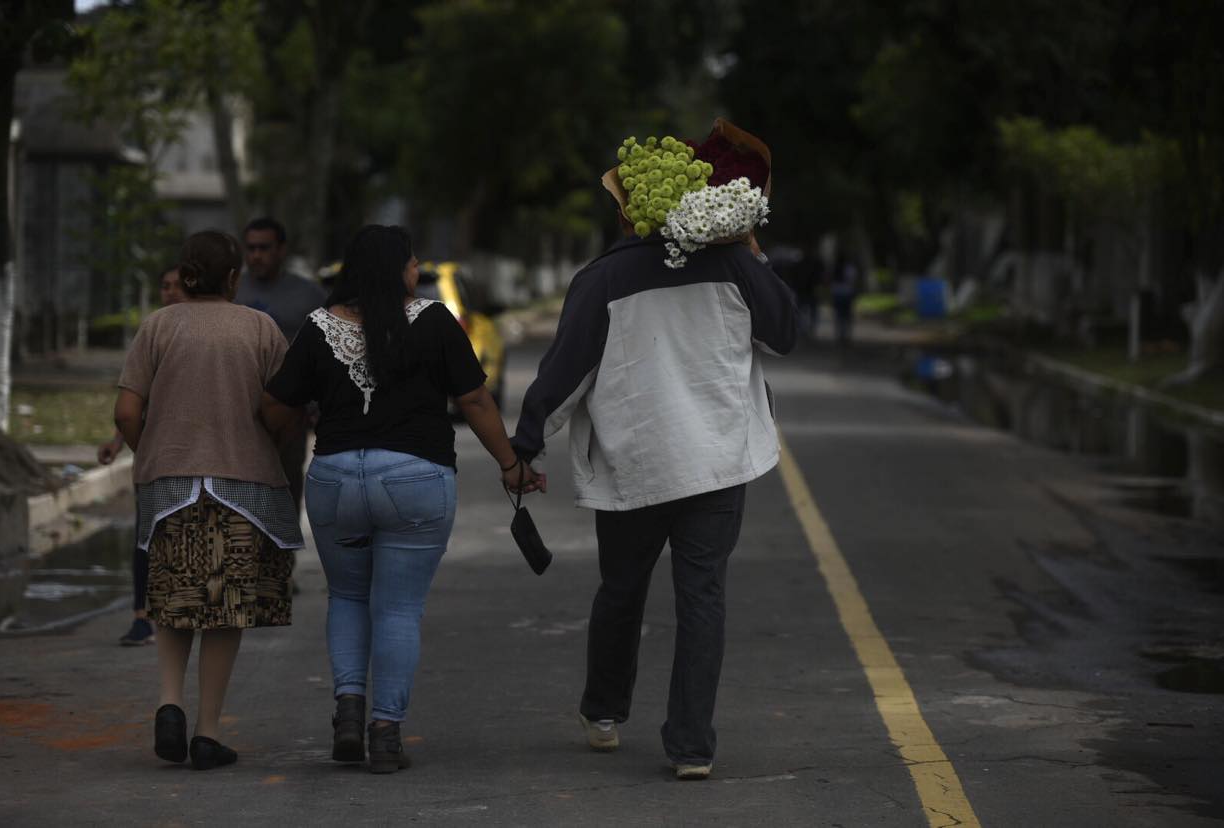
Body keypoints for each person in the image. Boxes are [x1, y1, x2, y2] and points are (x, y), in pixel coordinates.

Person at [511, 153, 798, 780]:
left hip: (633, 468)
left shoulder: (601, 281)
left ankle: (604, 711)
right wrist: (753, 249)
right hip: (719, 464)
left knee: (622, 590)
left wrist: (525, 447)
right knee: (703, 600)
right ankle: (692, 747)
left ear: (624, 211)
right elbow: (783, 333)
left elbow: (563, 377)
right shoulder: (732, 266)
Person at [262, 224, 541, 774]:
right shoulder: (434, 321)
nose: (418, 271)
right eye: (413, 262)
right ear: (399, 269)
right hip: (415, 481)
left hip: (336, 480)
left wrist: (297, 427)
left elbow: (275, 409)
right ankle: (385, 734)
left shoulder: (318, 329)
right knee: (397, 609)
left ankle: (347, 711)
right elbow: (477, 401)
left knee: (346, 597)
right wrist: (511, 465)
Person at [114, 230, 302, 771]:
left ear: (185, 274)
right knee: (225, 609)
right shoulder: (260, 328)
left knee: (172, 598)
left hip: (170, 488)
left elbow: (127, 413)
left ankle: (169, 703)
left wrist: (151, 453)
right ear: (235, 278)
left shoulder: (157, 327)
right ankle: (207, 732)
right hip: (243, 489)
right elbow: (278, 410)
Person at [98, 265, 185, 646]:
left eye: (174, 286)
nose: (167, 293)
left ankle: (177, 610)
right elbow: (134, 400)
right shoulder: (154, 331)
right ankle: (141, 616)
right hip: (154, 450)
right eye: (163, 285)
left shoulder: (198, 334)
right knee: (144, 535)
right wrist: (120, 443)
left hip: (191, 451)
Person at [234, 216, 327, 516]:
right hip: (235, 413)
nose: (256, 255)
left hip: (289, 415)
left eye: (264, 247)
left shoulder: (308, 294)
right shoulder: (231, 290)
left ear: (282, 249)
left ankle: (281, 559)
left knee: (283, 494)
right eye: (251, 248)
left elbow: (325, 354)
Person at [830, 256, 860, 346]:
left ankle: (839, 334)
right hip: (847, 293)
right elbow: (854, 281)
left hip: (837, 293)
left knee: (839, 315)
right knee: (847, 316)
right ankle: (846, 335)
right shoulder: (850, 269)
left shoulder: (835, 268)